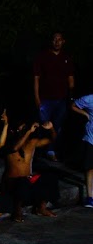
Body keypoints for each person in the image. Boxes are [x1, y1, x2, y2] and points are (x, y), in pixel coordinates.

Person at [3, 119, 59, 221]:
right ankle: (17, 211)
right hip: (12, 183)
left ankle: (41, 207)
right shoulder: (8, 143)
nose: (24, 130)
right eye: (21, 129)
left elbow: (52, 139)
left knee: (50, 177)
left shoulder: (31, 143)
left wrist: (51, 128)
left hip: (27, 180)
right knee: (22, 182)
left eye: (25, 128)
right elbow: (15, 148)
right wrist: (29, 132)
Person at [33, 31, 75, 161]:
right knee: (43, 125)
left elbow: (71, 79)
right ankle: (37, 151)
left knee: (57, 126)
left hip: (61, 99)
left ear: (63, 41)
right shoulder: (42, 57)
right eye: (54, 39)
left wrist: (71, 97)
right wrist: (37, 98)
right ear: (51, 41)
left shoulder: (67, 58)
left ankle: (51, 150)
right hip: (45, 99)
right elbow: (36, 79)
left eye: (59, 39)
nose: (57, 42)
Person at [71, 93, 93, 207]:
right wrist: (85, 114)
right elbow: (73, 105)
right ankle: (90, 197)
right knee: (90, 168)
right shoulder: (89, 99)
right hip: (91, 139)